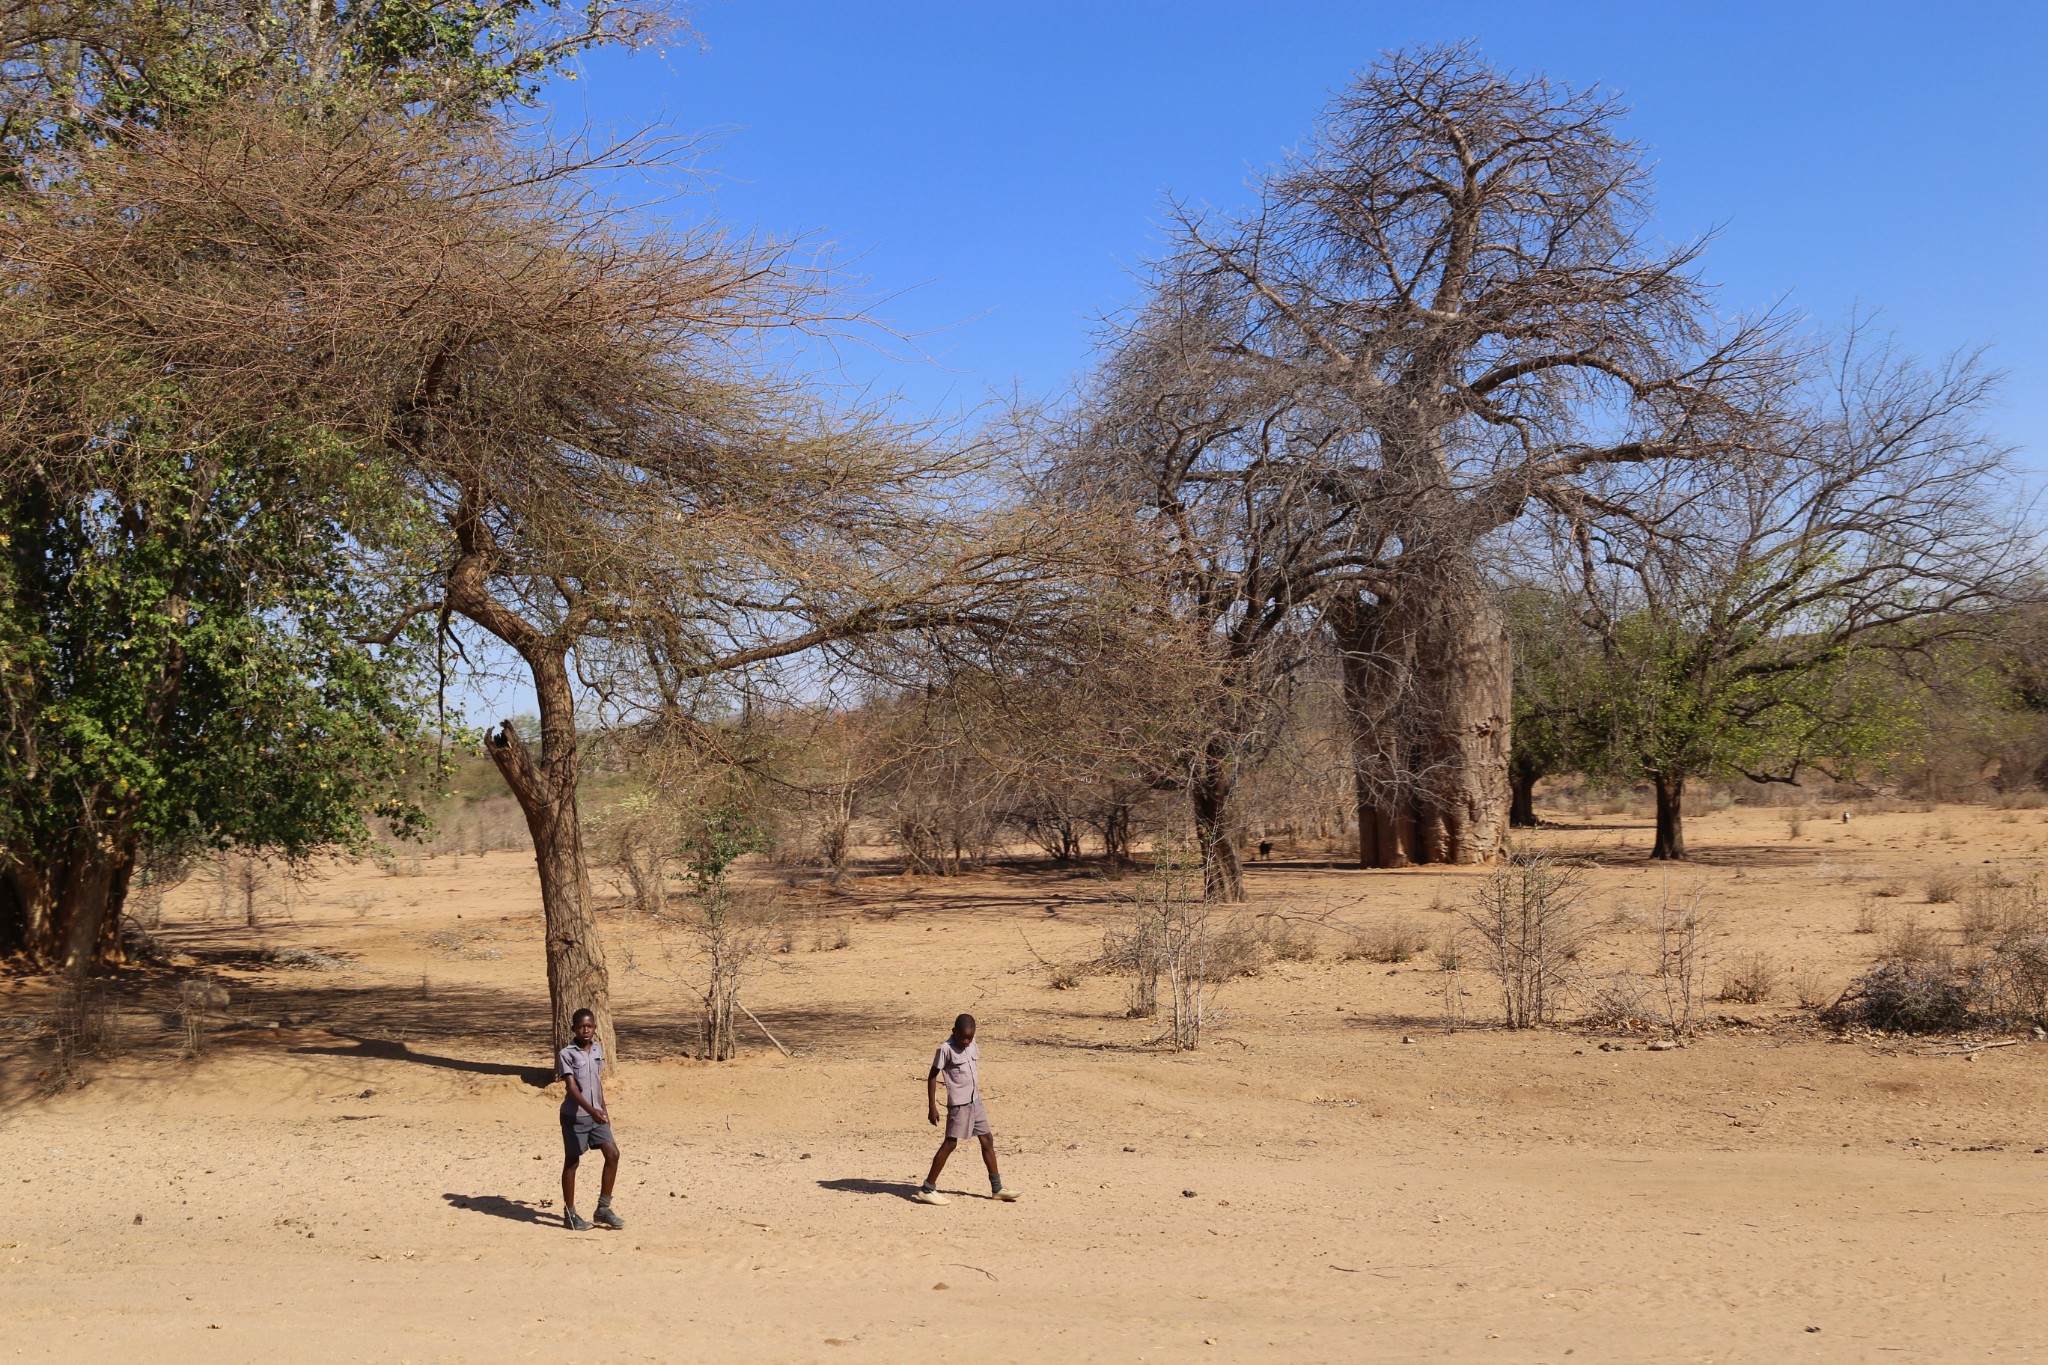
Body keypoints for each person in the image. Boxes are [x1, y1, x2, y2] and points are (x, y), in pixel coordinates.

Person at [917, 1013, 1017, 1205]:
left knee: (987, 1139)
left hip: (975, 1101)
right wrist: (932, 1106)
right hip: (959, 1104)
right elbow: (932, 1075)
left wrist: (971, 1040)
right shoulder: (945, 1049)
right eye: (962, 1037)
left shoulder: (971, 1044)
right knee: (950, 1143)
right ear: (953, 1032)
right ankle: (927, 1188)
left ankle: (997, 1188)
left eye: (969, 1038)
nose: (966, 1041)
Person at [557, 1007, 623, 1231]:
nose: (586, 1030)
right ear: (573, 1028)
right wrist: (591, 1110)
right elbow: (573, 1088)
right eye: (581, 1026)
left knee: (613, 1154)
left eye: (590, 1026)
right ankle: (569, 1214)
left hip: (597, 1114)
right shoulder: (567, 1053)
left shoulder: (597, 1049)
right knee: (573, 1162)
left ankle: (603, 1209)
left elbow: (596, 1083)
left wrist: (603, 1111)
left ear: (595, 1027)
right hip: (574, 1117)